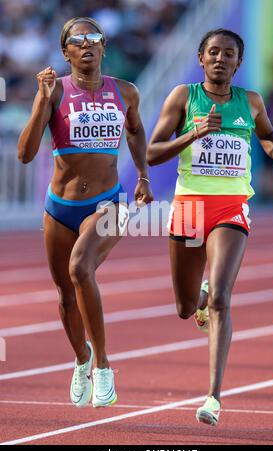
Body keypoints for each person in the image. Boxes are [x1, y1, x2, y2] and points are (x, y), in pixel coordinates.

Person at [147, 29, 273, 426]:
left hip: (232, 206)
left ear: (238, 62)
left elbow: (266, 135)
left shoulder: (250, 101)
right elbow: (152, 152)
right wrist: (195, 132)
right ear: (201, 58)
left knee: (221, 298)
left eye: (228, 54)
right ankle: (197, 299)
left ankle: (213, 397)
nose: (220, 59)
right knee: (185, 308)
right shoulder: (184, 97)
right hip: (190, 207)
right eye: (213, 52)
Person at [18, 17, 153, 408]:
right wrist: (42, 100)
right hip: (60, 208)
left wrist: (143, 175)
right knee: (64, 294)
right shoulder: (54, 91)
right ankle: (82, 359)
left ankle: (105, 367)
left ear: (104, 48)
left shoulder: (126, 92)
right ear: (66, 52)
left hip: (109, 203)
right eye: (79, 40)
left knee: (81, 269)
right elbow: (25, 155)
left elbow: (135, 130)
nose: (88, 44)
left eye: (95, 38)